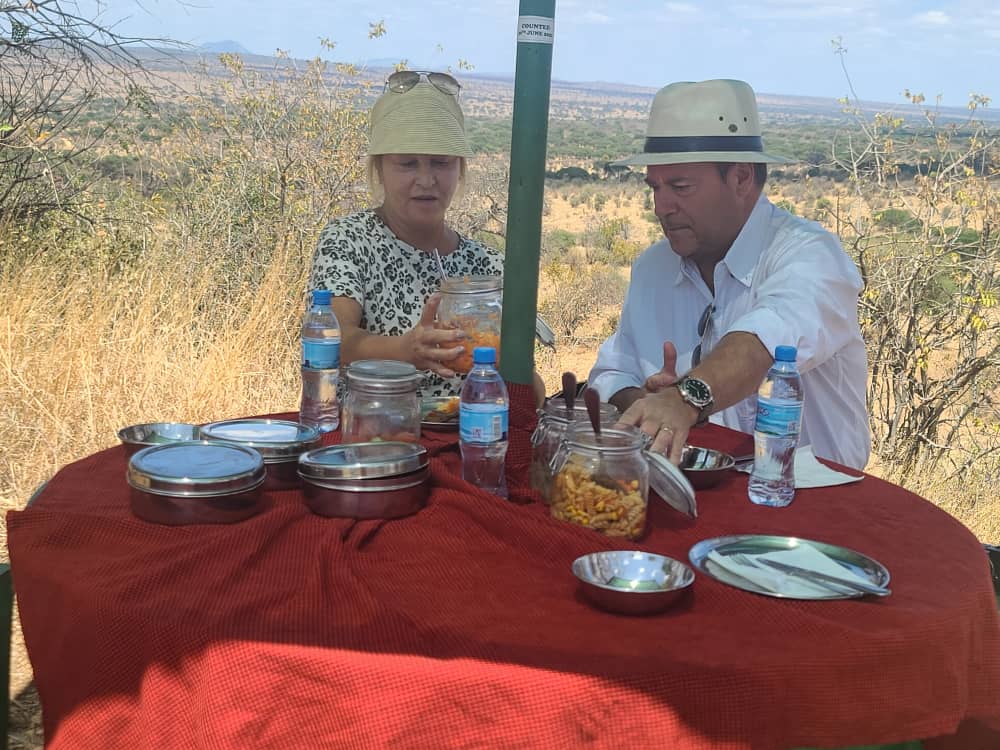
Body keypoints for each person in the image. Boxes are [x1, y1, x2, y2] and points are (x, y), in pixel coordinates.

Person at [588, 79, 870, 469]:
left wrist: (685, 399)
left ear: (741, 178)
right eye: (654, 186)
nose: (660, 206)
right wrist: (645, 404)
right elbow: (613, 370)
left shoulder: (809, 256)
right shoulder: (654, 268)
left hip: (801, 502)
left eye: (680, 186)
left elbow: (765, 343)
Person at [309, 70, 504, 398]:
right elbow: (333, 337)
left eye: (440, 163)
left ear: (460, 169)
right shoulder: (349, 242)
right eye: (408, 164)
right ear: (380, 169)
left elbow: (527, 386)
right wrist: (404, 349)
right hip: (374, 433)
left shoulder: (488, 266)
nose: (426, 180)